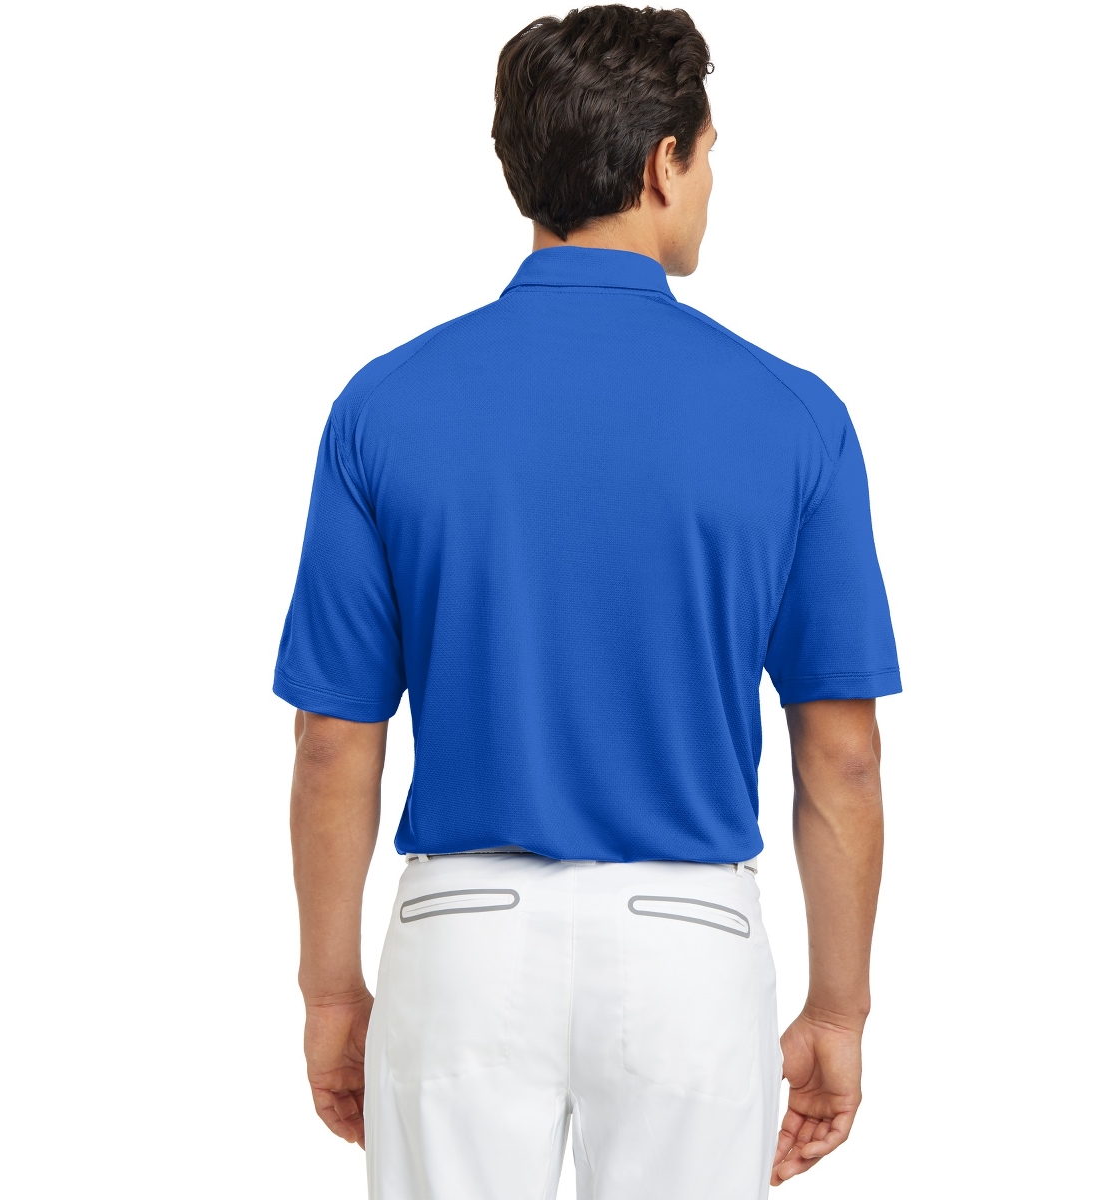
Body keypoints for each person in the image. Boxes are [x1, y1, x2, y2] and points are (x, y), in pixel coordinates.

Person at [274, 6, 900, 1197]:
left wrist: (331, 990)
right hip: (691, 950)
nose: (709, 186)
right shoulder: (795, 417)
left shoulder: (384, 406)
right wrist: (839, 1009)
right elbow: (844, 757)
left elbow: (331, 742)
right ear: (663, 162)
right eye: (707, 157)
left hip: (458, 942)